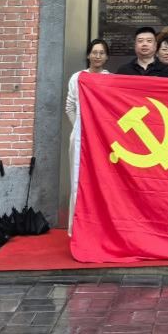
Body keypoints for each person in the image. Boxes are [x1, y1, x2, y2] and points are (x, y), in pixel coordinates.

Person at [65, 38, 112, 232]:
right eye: (94, 52)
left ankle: (100, 228)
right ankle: (77, 229)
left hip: (103, 140)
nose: (97, 56)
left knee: (102, 182)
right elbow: (70, 107)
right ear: (88, 55)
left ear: (106, 57)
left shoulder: (111, 79)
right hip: (80, 139)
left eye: (102, 53)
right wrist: (81, 127)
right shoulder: (77, 78)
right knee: (78, 181)